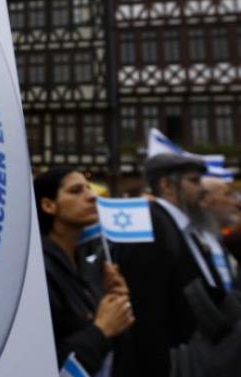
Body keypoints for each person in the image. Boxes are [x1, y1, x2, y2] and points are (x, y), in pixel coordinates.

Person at [111, 153, 225, 377]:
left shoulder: (180, 226)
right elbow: (145, 309)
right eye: (193, 181)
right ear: (166, 185)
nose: (201, 189)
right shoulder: (151, 224)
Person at [34, 167, 134, 376]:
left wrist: (115, 301)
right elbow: (46, 359)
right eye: (76, 191)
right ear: (48, 205)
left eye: (89, 189)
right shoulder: (41, 270)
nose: (91, 197)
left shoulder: (82, 267)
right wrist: (101, 330)